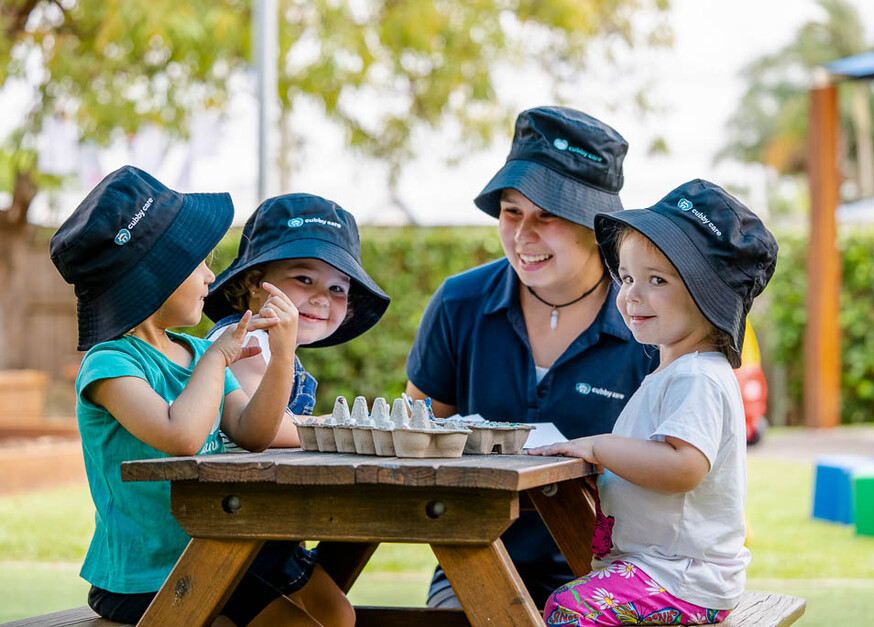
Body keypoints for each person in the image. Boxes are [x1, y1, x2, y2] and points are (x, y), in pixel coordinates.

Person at [50, 167, 351, 626]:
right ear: (153, 275)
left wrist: (282, 352)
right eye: (199, 264)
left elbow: (253, 432)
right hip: (143, 578)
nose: (212, 277)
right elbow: (182, 435)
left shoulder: (195, 350)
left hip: (219, 557)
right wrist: (216, 360)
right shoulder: (111, 365)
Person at [405, 106, 658, 608]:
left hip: (618, 572)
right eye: (512, 211)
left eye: (548, 215)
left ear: (597, 228)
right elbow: (415, 436)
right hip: (474, 558)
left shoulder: (652, 322)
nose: (523, 236)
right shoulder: (459, 302)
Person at [527, 179, 778, 626]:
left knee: (571, 608)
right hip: (663, 571)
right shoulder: (673, 373)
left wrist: (600, 448)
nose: (631, 295)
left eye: (656, 280)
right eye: (626, 278)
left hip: (683, 579)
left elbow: (683, 467)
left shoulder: (697, 376)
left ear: (708, 297)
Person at [204, 193, 390, 446]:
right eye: (304, 279)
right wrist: (335, 425)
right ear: (254, 283)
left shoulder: (272, 345)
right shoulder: (247, 341)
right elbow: (263, 431)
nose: (322, 298)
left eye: (337, 288)